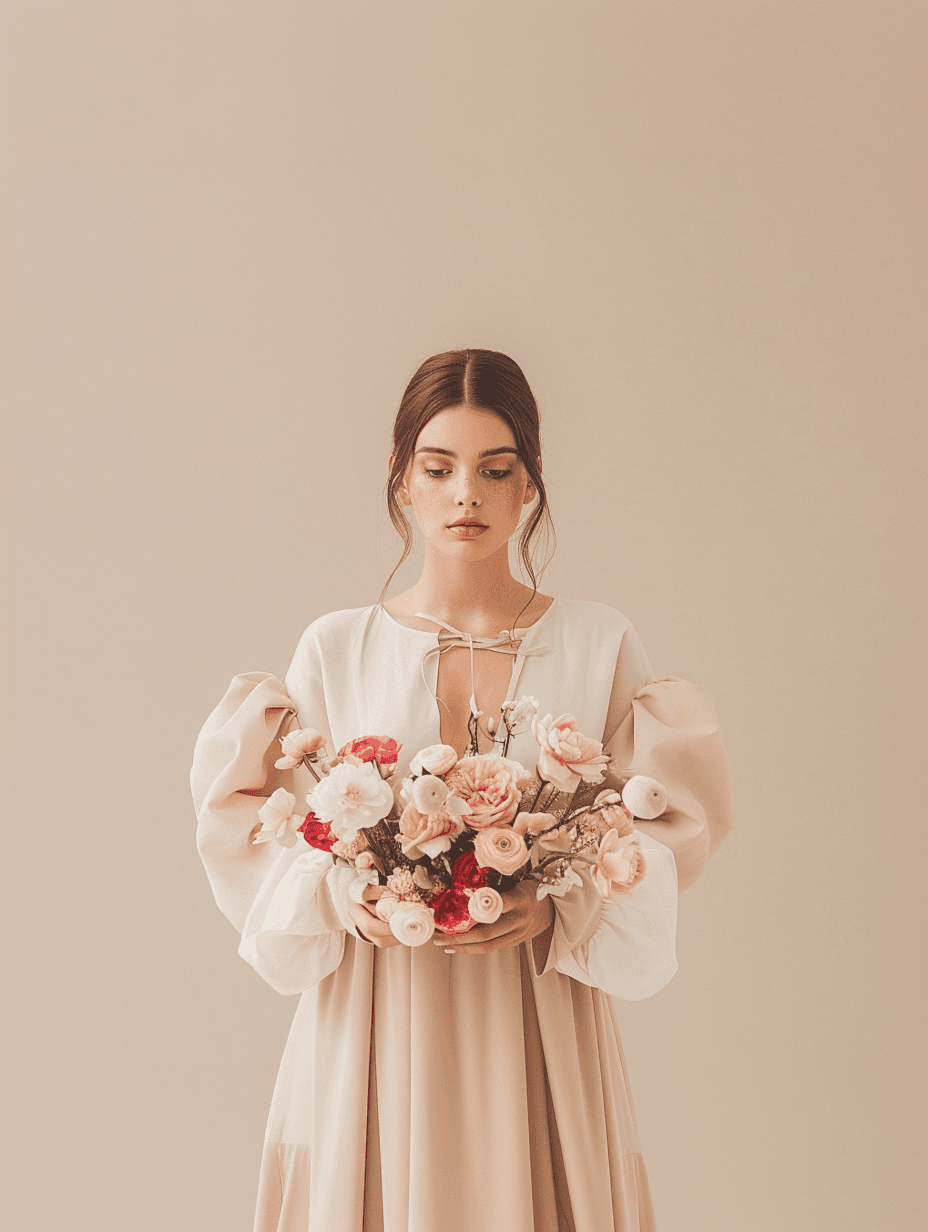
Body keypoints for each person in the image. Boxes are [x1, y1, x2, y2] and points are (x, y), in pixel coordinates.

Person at [190, 348, 734, 1232]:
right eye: (438, 469)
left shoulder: (598, 641)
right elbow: (278, 828)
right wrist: (346, 894)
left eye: (495, 469)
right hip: (374, 1015)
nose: (465, 495)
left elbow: (651, 829)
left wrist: (563, 908)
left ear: (531, 486)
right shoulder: (336, 646)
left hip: (537, 1013)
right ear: (403, 482)